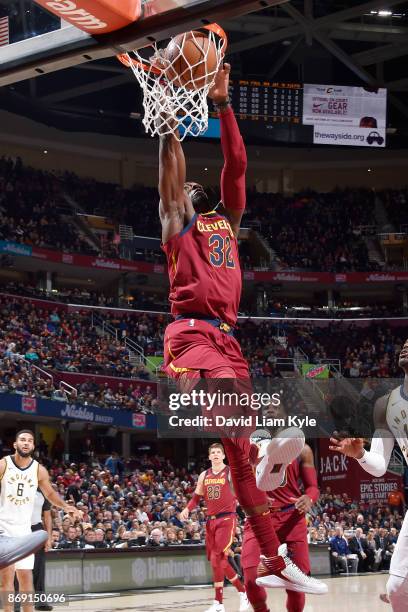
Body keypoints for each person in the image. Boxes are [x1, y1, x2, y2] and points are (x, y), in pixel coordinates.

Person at [158, 61, 327, 597]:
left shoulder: (226, 226)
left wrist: (223, 102)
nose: (186, 187)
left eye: (191, 187)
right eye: (182, 187)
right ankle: (259, 435)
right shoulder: (175, 222)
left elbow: (237, 163)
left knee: (241, 458)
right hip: (190, 337)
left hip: (227, 339)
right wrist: (167, 118)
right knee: (243, 425)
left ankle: (275, 557)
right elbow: (170, 173)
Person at [330, 338, 408, 611]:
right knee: (397, 588)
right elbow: (378, 466)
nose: (406, 345)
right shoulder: (385, 404)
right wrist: (360, 454)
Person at [0, 430, 82, 612]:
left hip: (25, 530)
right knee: (6, 578)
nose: (26, 443)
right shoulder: (4, 464)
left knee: (26, 577)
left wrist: (65, 506)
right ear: (15, 444)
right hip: (4, 528)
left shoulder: (38, 469)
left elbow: (50, 493)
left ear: (34, 446)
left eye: (29, 440)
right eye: (22, 440)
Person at [241, 437, 320, 612]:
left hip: (292, 517)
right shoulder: (251, 448)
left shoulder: (302, 449)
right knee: (250, 579)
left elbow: (313, 487)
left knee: (296, 584)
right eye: (266, 407)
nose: (270, 408)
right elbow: (237, 482)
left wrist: (309, 498)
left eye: (275, 407)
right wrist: (253, 496)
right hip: (259, 516)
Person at [180, 443, 250, 612]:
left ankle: (231, 597)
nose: (216, 454)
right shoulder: (204, 475)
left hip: (227, 519)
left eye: (219, 452)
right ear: (209, 456)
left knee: (219, 557)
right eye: (213, 453)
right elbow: (196, 497)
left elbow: (242, 492)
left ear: (224, 456)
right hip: (210, 522)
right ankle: (229, 598)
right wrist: (187, 509)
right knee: (216, 562)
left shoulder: (230, 472)